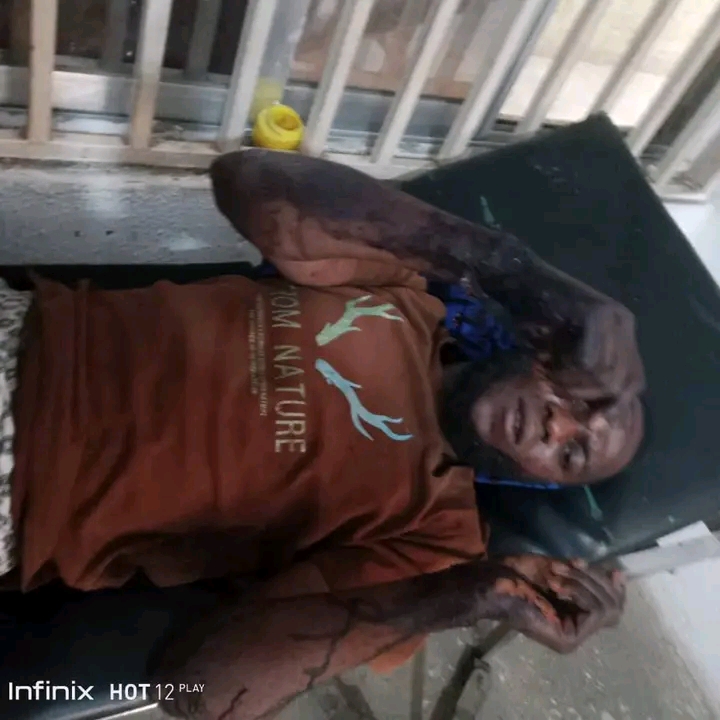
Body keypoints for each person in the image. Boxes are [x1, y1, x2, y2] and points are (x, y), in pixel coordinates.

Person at [0, 149, 645, 720]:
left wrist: (474, 594)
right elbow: (244, 179)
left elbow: (197, 691)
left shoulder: (436, 543)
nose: (557, 424)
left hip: (19, 491)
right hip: (26, 328)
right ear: (544, 358)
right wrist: (515, 274)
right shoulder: (406, 295)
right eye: (576, 399)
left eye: (571, 453)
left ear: (540, 480)